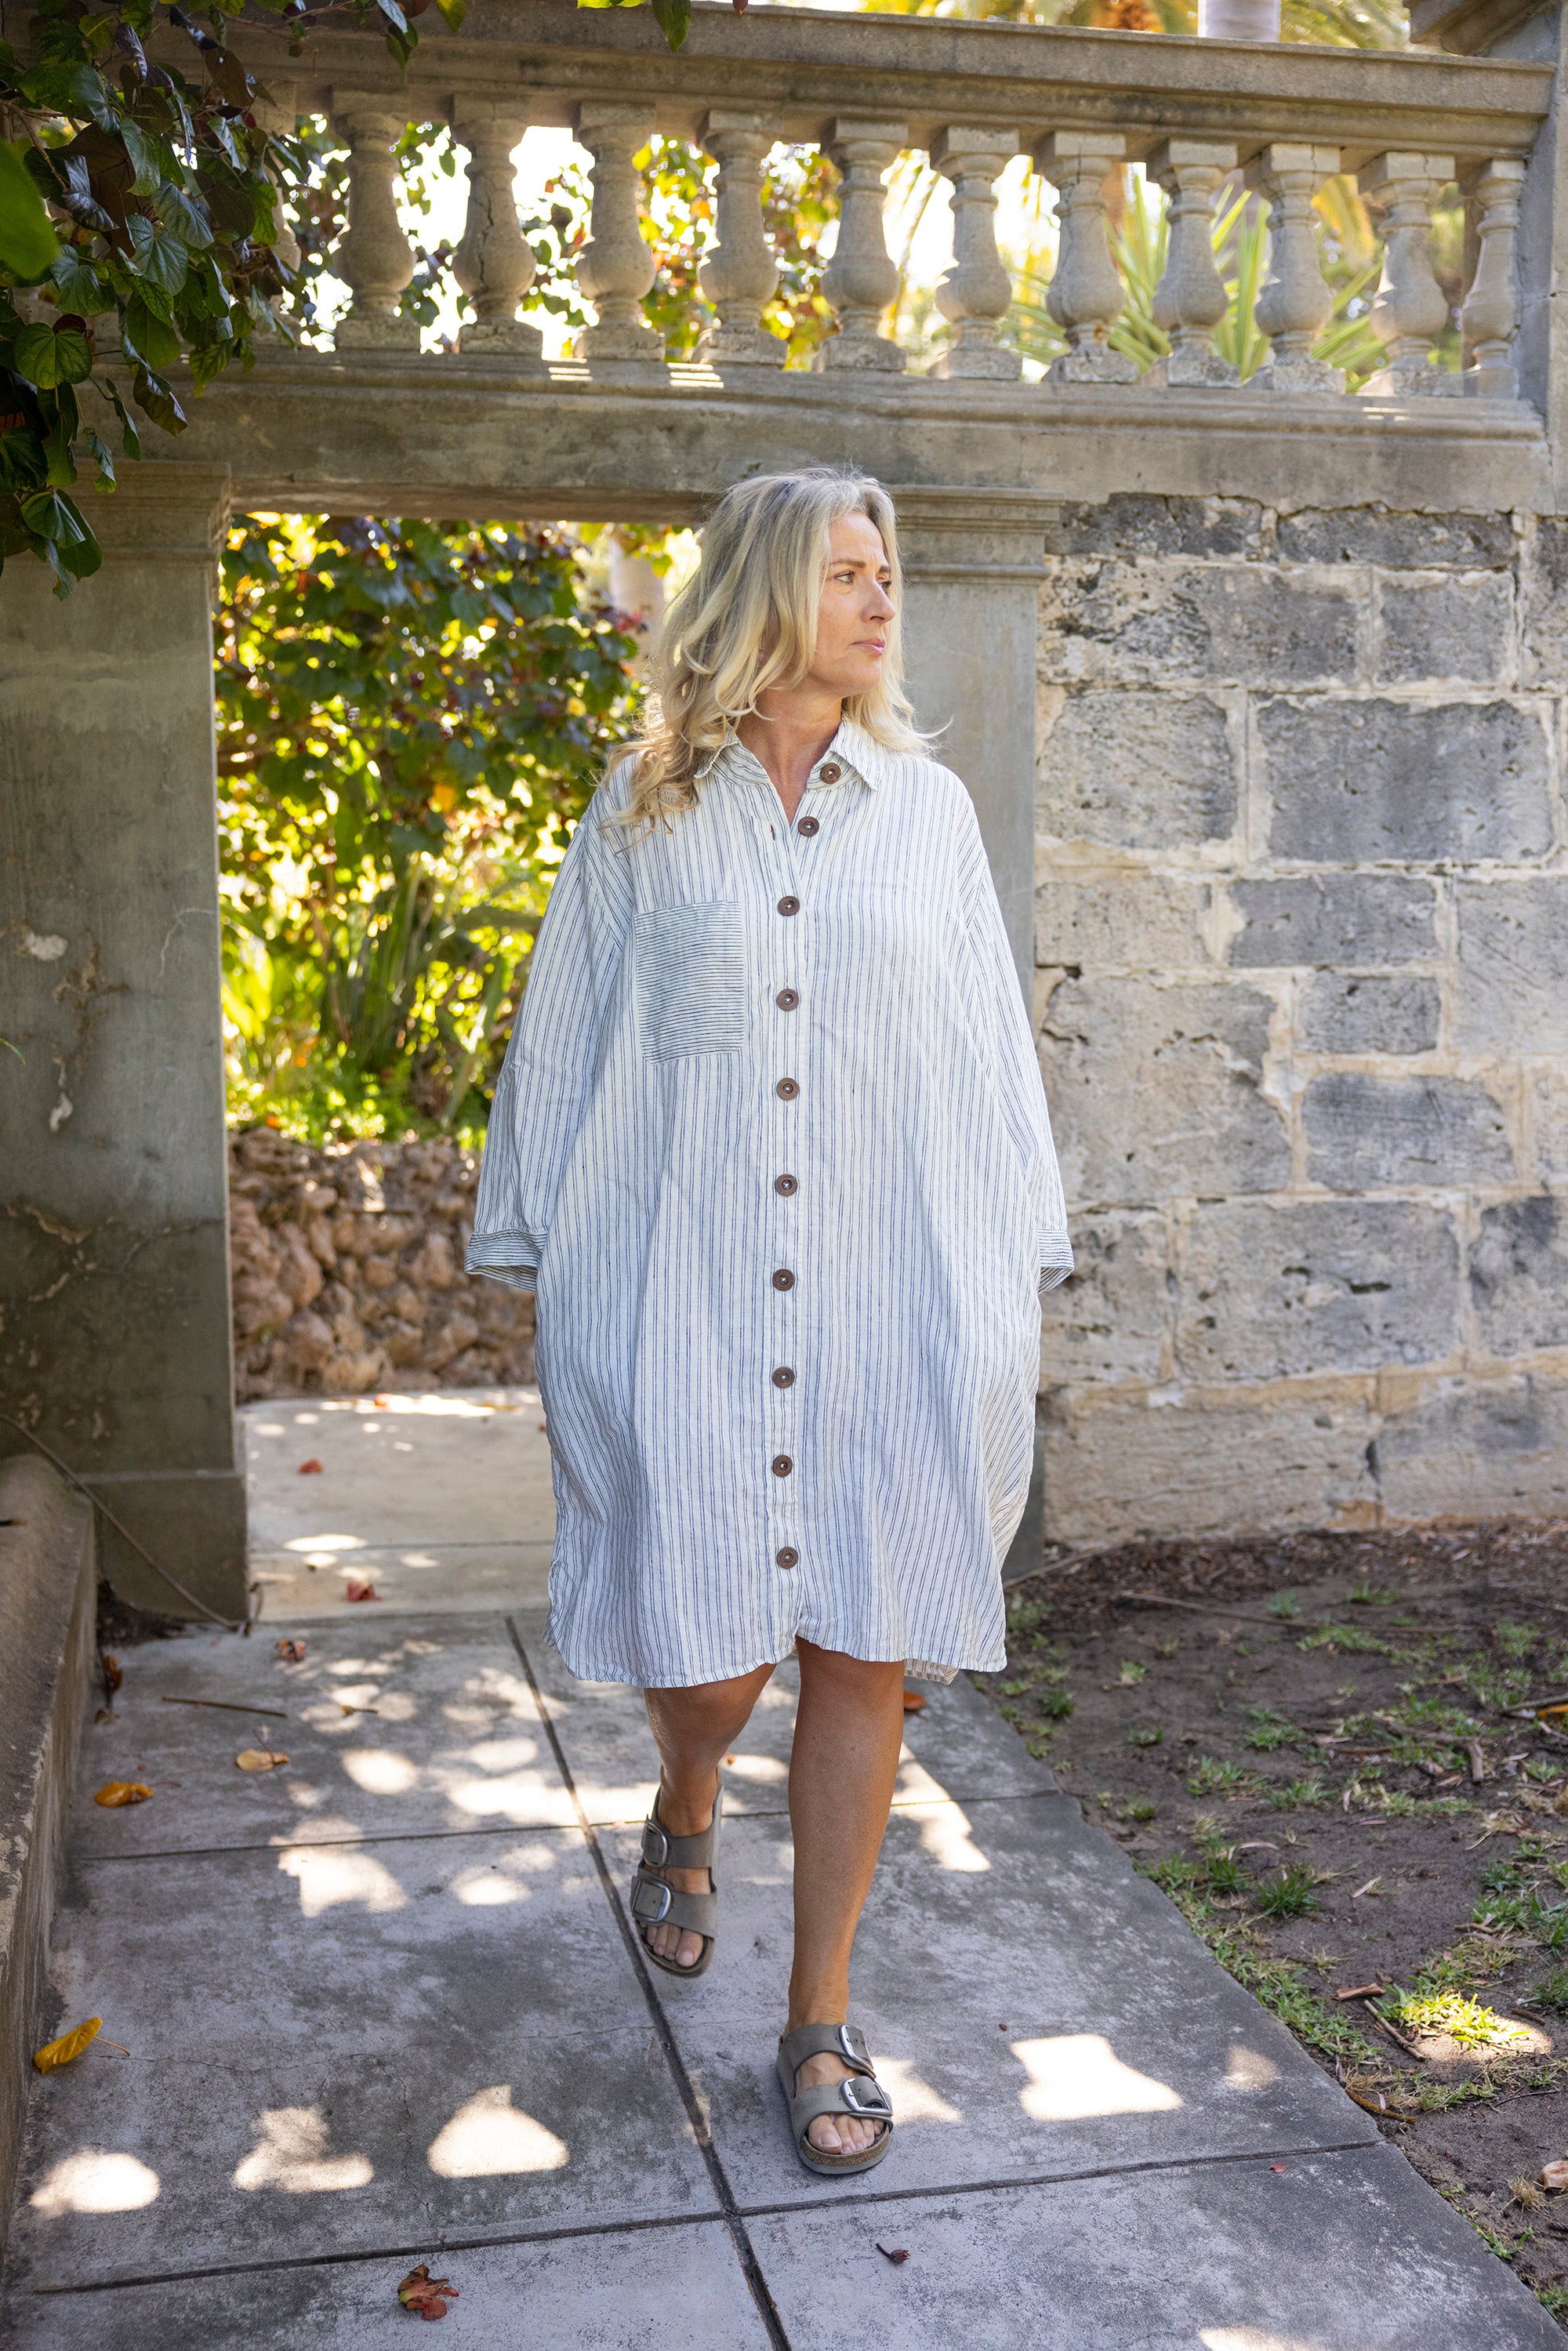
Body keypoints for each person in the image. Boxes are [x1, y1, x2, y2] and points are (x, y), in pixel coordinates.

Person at [468, 467, 1071, 2176]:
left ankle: (820, 2014)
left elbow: (980, 1049)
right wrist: (531, 1238)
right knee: (711, 1663)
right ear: (758, 594)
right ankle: (681, 1801)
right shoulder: (643, 810)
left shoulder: (926, 811)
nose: (883, 602)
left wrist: (1012, 1261)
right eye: (847, 573)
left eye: (890, 573)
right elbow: (568, 1032)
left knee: (862, 1647)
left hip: (885, 1283)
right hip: (697, 1285)